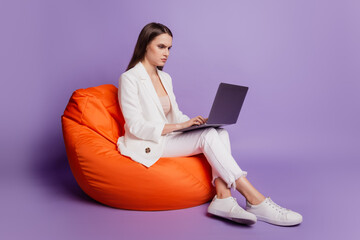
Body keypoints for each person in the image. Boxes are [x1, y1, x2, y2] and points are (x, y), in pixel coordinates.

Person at [117, 22, 303, 226]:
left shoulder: (165, 77)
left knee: (219, 133)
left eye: (169, 48)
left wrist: (194, 123)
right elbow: (135, 126)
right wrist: (180, 127)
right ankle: (254, 199)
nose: (167, 53)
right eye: (161, 47)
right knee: (207, 137)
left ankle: (223, 198)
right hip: (149, 142)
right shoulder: (130, 78)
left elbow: (174, 114)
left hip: (168, 136)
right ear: (145, 45)